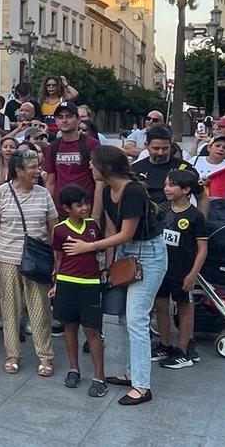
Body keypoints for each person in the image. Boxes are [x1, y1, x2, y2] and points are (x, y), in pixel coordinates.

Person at [64, 145, 167, 406]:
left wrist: (89, 248)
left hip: (149, 255)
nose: (89, 166)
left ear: (106, 167)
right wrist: (108, 266)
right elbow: (112, 231)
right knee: (121, 318)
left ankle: (142, 386)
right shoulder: (109, 190)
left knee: (137, 319)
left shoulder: (132, 191)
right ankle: (132, 373)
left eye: (93, 163)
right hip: (126, 253)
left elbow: (126, 233)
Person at [0, 148, 57, 376]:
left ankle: (45, 356)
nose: (38, 171)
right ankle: (12, 354)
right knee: (10, 309)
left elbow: (53, 228)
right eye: (33, 167)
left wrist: (56, 260)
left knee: (40, 309)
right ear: (18, 170)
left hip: (37, 261)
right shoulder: (1, 193)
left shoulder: (43, 194)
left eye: (38, 166)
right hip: (7, 258)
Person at [49, 184, 109, 397]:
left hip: (91, 284)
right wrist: (56, 284)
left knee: (92, 330)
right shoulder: (59, 229)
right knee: (70, 327)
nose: (85, 207)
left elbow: (101, 249)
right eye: (79, 205)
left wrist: (105, 271)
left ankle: (99, 376)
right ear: (67, 208)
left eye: (86, 203)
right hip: (66, 282)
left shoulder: (93, 226)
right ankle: (74, 369)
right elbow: (58, 258)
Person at [155, 169, 209, 370]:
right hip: (161, 269)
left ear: (186, 189)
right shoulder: (161, 209)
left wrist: (193, 273)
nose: (166, 188)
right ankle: (164, 344)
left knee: (184, 307)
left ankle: (183, 351)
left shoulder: (195, 216)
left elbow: (202, 248)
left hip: (183, 271)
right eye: (166, 184)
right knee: (161, 306)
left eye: (172, 185)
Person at [44, 102, 101, 208]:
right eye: (60, 117)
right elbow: (50, 182)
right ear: (56, 121)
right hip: (61, 208)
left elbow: (99, 182)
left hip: (85, 207)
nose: (64, 120)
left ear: (78, 119)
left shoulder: (91, 144)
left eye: (69, 116)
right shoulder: (53, 147)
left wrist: (96, 215)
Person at [133, 126, 197, 208]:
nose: (160, 153)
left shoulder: (184, 168)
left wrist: (200, 219)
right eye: (156, 148)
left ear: (171, 145)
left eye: (165, 148)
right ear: (146, 146)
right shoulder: (135, 169)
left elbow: (202, 197)